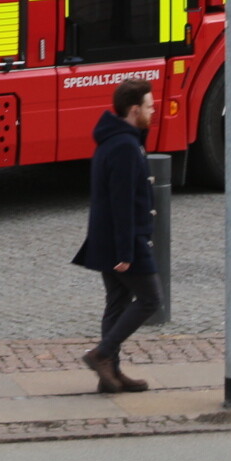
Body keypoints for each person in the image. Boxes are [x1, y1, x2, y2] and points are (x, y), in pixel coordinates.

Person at [73, 78, 159, 393]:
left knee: (118, 301)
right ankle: (102, 354)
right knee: (150, 299)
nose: (154, 110)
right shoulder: (124, 145)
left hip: (108, 238)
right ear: (134, 109)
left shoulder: (118, 139)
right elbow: (121, 201)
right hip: (125, 240)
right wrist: (126, 251)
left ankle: (111, 375)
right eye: (149, 106)